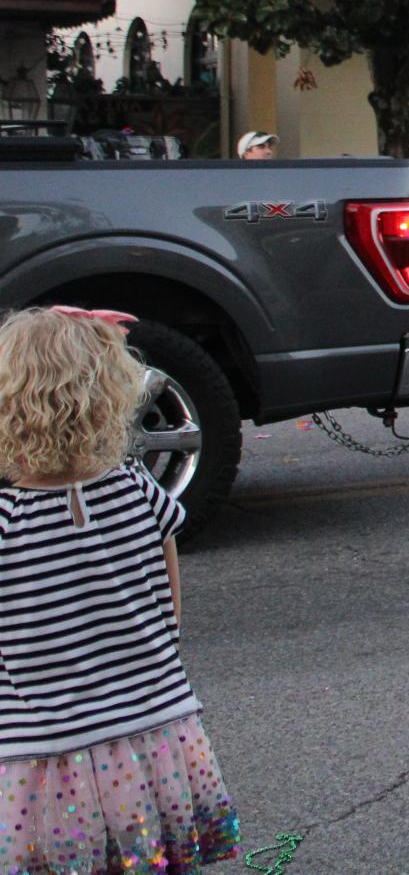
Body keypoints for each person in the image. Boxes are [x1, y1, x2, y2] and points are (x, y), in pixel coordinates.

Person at [0, 307, 240, 875]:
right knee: (144, 859)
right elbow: (169, 600)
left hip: (44, 750)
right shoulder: (135, 489)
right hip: (152, 734)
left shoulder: (7, 520)